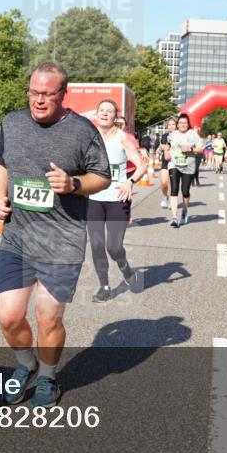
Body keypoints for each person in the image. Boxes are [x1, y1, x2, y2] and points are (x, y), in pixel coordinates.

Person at [0, 62, 110, 407]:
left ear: (62, 94)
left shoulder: (82, 131)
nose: (38, 100)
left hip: (62, 240)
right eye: (33, 92)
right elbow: (1, 162)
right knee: (10, 317)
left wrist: (74, 184)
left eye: (47, 94)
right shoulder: (11, 124)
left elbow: (102, 176)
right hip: (18, 238)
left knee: (48, 317)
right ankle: (25, 364)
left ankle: (47, 375)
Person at [88, 100, 146, 303]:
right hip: (93, 198)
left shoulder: (123, 138)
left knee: (113, 247)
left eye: (109, 111)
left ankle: (125, 267)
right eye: (101, 110)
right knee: (96, 244)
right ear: (96, 114)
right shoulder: (88, 137)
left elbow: (141, 166)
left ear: (115, 116)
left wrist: (130, 182)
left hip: (117, 198)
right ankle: (104, 286)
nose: (104, 113)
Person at [166, 113, 204, 228]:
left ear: (188, 124)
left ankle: (184, 211)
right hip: (174, 164)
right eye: (180, 123)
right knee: (174, 189)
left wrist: (190, 148)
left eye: (185, 123)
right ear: (177, 124)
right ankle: (174, 217)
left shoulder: (193, 134)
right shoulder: (173, 134)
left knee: (185, 191)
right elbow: (167, 145)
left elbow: (201, 149)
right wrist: (166, 152)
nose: (182, 125)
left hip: (188, 166)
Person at [158, 117, 177, 209]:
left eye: (173, 124)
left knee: (173, 184)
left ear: (176, 125)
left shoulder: (180, 136)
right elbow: (161, 146)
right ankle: (165, 197)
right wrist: (160, 148)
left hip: (175, 161)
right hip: (165, 160)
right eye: (169, 125)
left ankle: (172, 201)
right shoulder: (164, 136)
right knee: (164, 182)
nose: (171, 126)